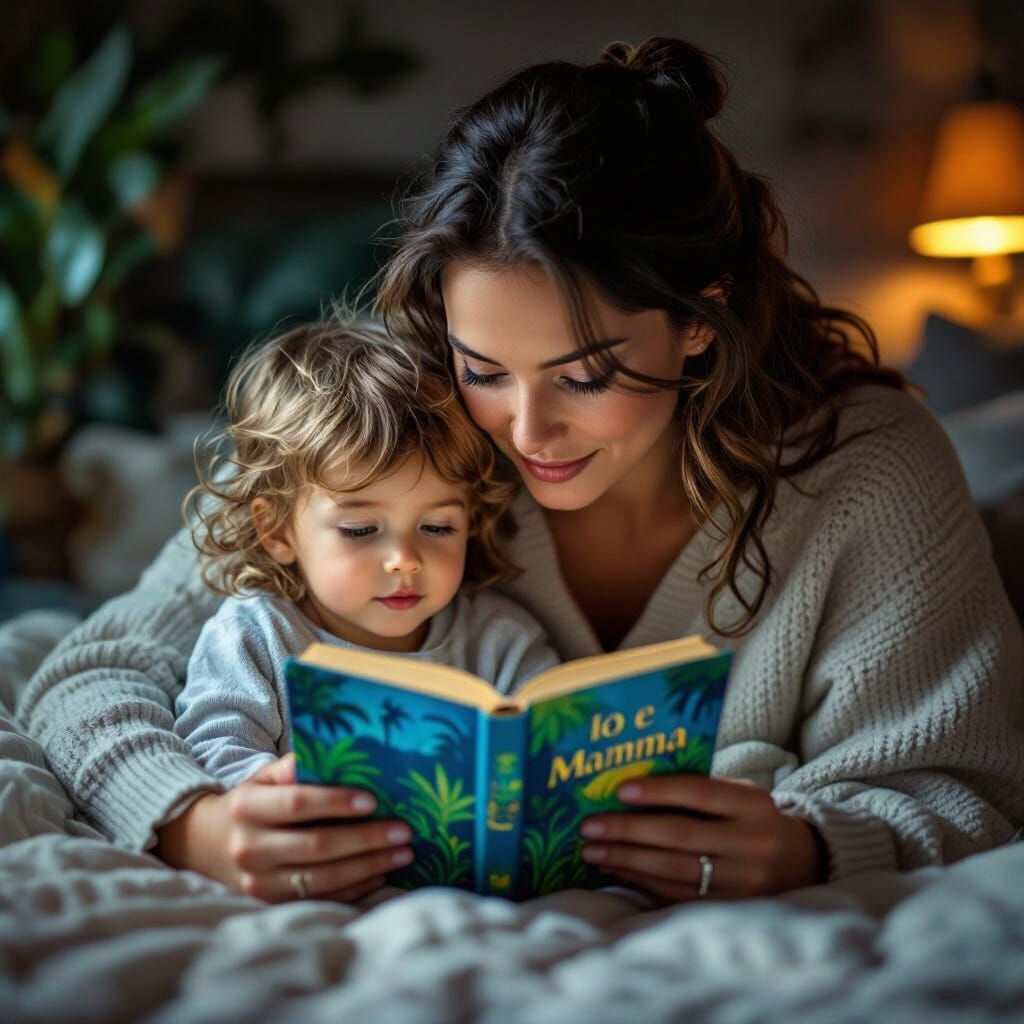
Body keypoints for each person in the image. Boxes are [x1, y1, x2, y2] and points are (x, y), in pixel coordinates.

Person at [19, 37, 1023, 908]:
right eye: (484, 367)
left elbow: (966, 786)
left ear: (697, 325)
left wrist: (806, 843)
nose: (523, 429)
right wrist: (197, 824)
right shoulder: (384, 418)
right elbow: (89, 671)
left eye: (587, 374)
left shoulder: (869, 469)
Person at [173, 313, 557, 807]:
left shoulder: (500, 642)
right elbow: (214, 751)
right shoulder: (255, 638)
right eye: (361, 531)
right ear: (276, 530)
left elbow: (551, 755)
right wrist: (270, 793)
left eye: (438, 527)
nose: (404, 560)